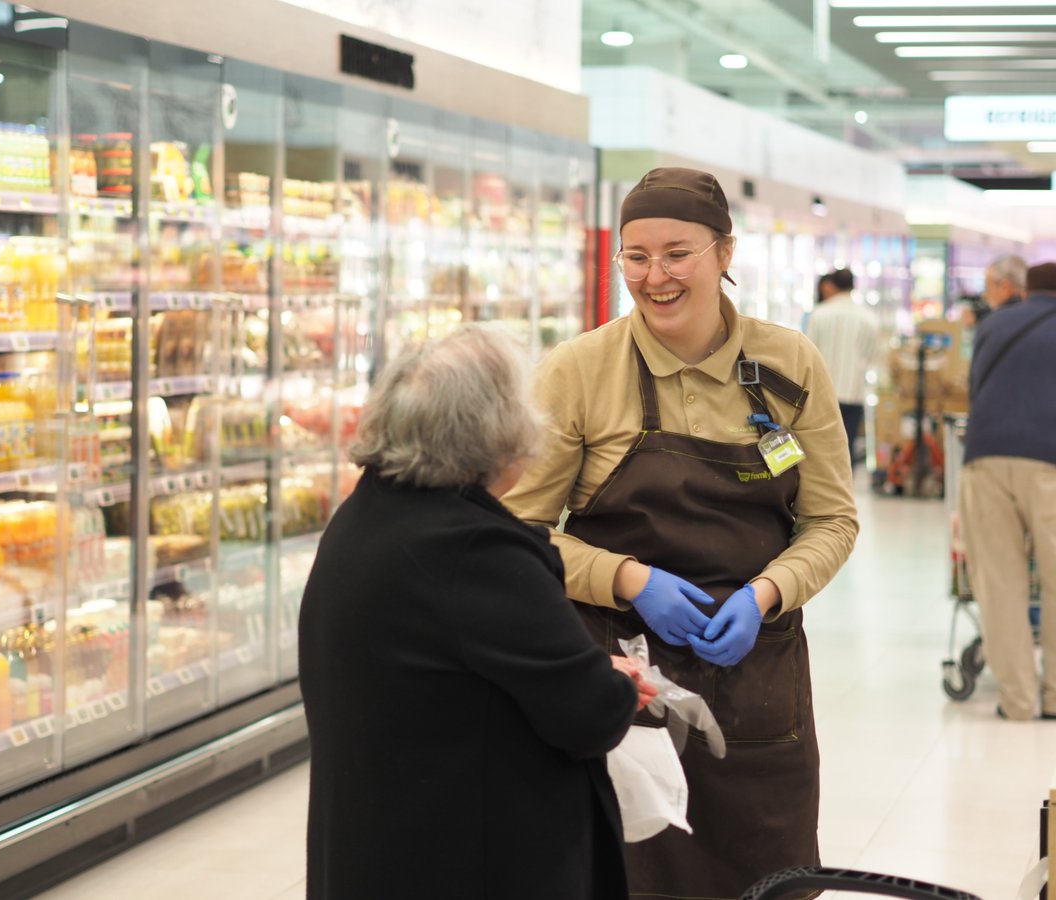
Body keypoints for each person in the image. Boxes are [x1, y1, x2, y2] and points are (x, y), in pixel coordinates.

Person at [503, 166, 859, 899]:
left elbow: (830, 519)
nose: (654, 276)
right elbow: (513, 534)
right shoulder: (578, 372)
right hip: (616, 677)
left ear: (724, 254)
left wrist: (766, 594)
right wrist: (628, 579)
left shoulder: (789, 365)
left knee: (767, 875)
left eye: (677, 253)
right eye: (636, 256)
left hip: (758, 676)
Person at [297, 324, 657, 900]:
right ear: (494, 434)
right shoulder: (476, 553)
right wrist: (608, 683)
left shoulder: (364, 517)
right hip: (469, 857)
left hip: (380, 843)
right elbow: (588, 714)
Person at [959, 261, 1056, 721]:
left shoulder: (993, 324)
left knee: (1000, 585)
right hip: (1051, 464)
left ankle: (1017, 701)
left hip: (986, 456)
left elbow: (974, 389)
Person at [805, 267, 880, 465]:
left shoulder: (819, 314)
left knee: (820, 451)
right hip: (854, 394)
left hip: (822, 394)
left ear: (830, 286)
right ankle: (845, 492)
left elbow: (808, 354)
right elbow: (873, 356)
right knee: (846, 450)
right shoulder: (869, 318)